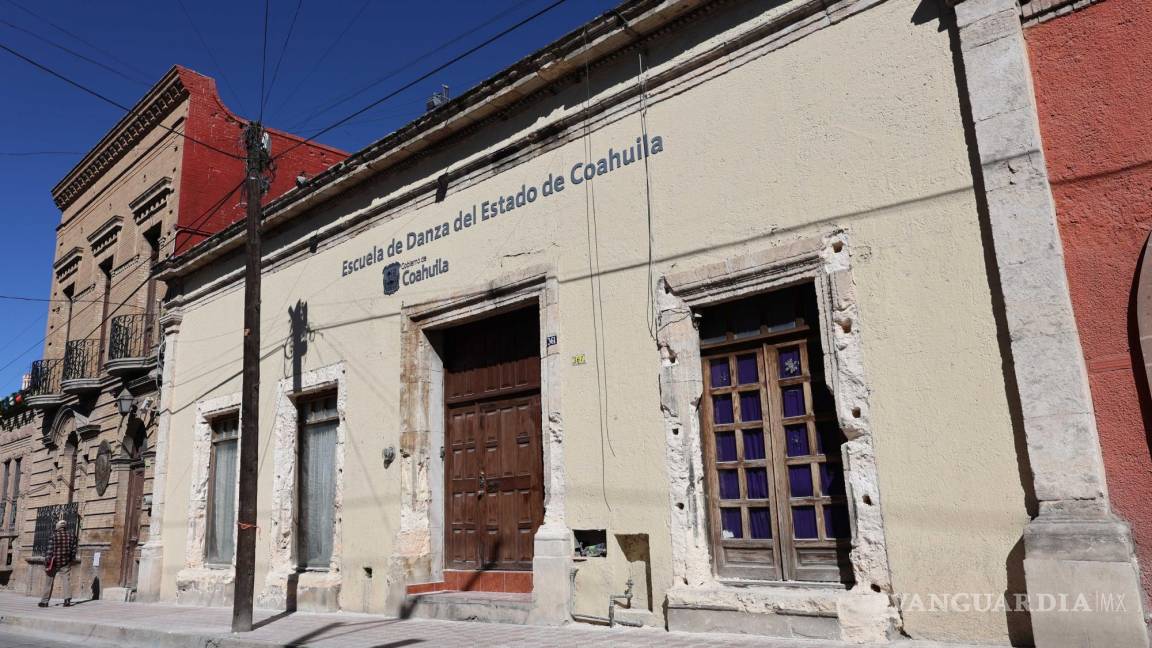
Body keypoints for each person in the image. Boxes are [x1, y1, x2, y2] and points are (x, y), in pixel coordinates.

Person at [38, 519, 76, 608]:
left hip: (53, 562)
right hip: (65, 562)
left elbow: (50, 550)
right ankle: (67, 600)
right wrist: (71, 559)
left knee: (48, 582)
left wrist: (47, 561)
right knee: (66, 580)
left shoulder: (54, 535)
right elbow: (73, 550)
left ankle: (44, 602)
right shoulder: (71, 536)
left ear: (58, 526)